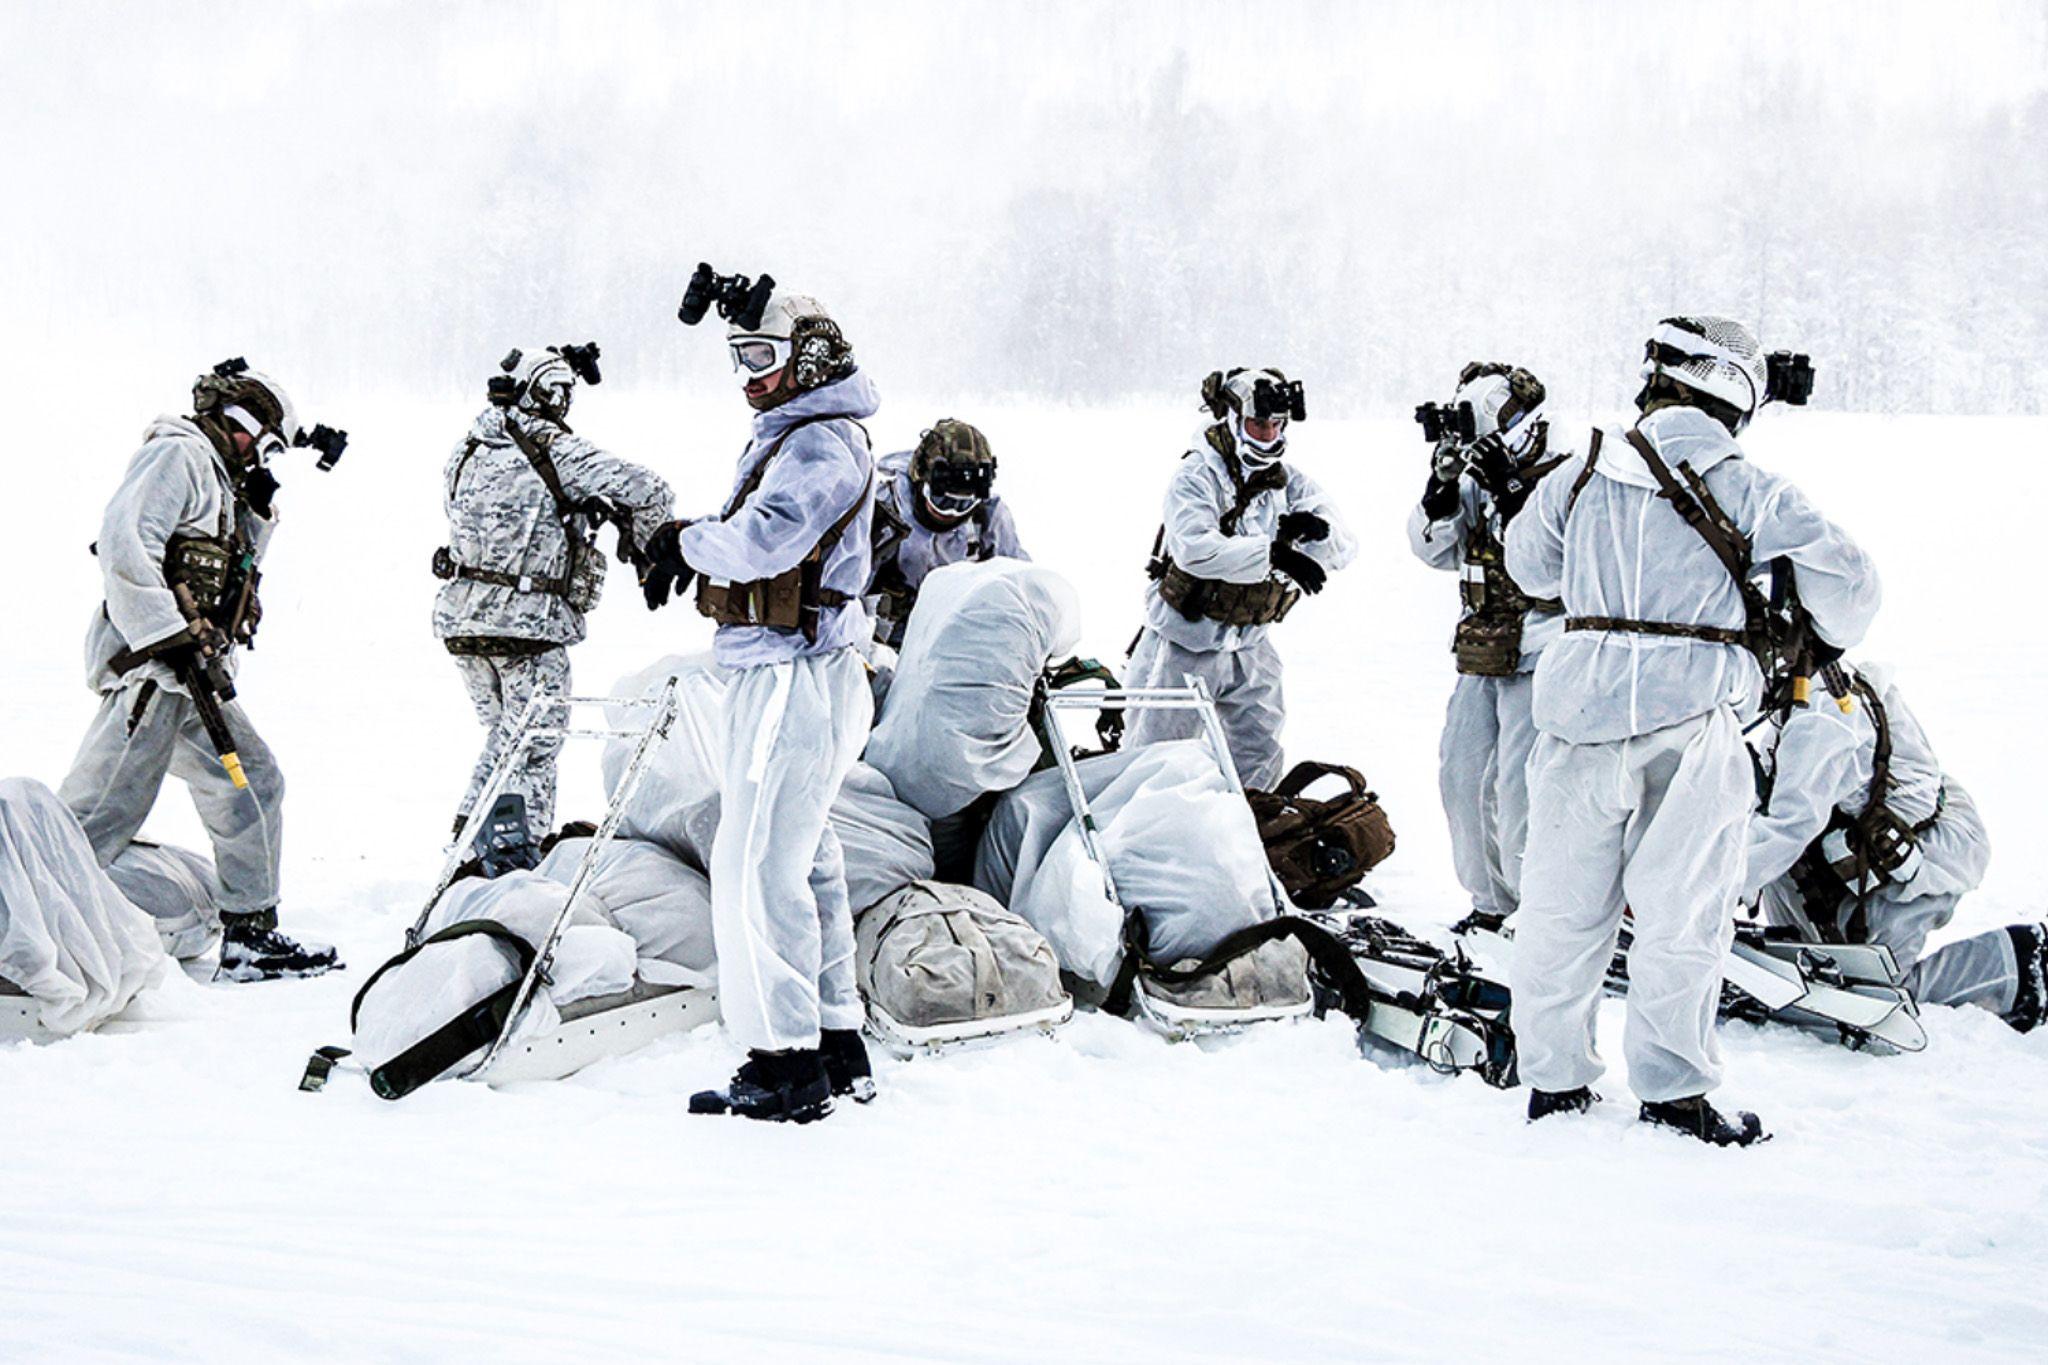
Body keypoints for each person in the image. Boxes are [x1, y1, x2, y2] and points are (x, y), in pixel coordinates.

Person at [1504, 317, 1880, 1146]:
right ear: (1733, 391)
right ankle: (1673, 1092)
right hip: (1691, 723)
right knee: (1684, 914)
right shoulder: (1748, 486)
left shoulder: (1580, 471)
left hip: (1578, 718)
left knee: (1560, 911)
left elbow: (1527, 566)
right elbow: (1853, 585)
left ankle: (1553, 1081)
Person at [640, 283, 880, 1123]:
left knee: (757, 866)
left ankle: (785, 1061)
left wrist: (685, 543)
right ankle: (837, 1038)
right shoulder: (804, 435)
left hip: (789, 677)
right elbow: (761, 532)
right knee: (805, 858)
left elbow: (766, 538)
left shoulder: (818, 444)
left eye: (762, 355)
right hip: (804, 672)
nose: (747, 373)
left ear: (808, 358)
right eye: (739, 356)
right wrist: (692, 545)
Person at [59, 359, 343, 982]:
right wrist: (164, 633)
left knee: (254, 783)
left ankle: (249, 937)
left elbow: (231, 572)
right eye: (261, 442)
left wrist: (258, 512)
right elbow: (125, 539)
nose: (259, 456)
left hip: (192, 677)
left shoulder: (221, 478)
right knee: (99, 815)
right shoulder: (179, 454)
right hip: (153, 672)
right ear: (234, 420)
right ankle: (29, 921)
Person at [432, 343, 673, 840]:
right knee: (534, 743)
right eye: (562, 392)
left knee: (507, 737)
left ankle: (503, 843)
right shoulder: (555, 449)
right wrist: (650, 552)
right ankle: (485, 836)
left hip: (463, 626)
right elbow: (650, 489)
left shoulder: (467, 448)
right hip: (529, 626)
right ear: (548, 393)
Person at [1745, 659, 2045, 1030]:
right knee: (1813, 962)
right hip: (1861, 855)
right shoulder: (1806, 693)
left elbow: (1789, 825)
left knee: (1877, 999)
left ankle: (2024, 961)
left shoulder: (1823, 716)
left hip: (1917, 861)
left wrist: (1713, 894)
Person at [1123, 368, 1356, 790]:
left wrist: (1316, 533)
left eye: (1276, 425)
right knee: (1154, 763)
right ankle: (1138, 830)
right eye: (1257, 424)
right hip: (1185, 643)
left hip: (1251, 644)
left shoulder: (1287, 481)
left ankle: (1251, 826)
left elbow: (1344, 545)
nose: (1267, 435)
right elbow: (1196, 549)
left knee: (1259, 755)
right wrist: (1272, 553)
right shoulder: (1197, 476)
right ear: (1232, 419)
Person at [1408, 363, 1567, 925]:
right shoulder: (1477, 477)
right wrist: (1441, 490)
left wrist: (1514, 491)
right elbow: (1436, 551)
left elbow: (1562, 564)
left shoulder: (1569, 473)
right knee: (1463, 777)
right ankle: (1490, 904)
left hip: (1545, 648)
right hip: (1483, 649)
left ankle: (1538, 911)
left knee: (1523, 791)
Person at [865, 418, 1027, 649]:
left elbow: (1020, 587)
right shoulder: (883, 511)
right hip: (883, 648)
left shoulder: (987, 518)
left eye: (963, 504)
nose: (951, 513)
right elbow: (846, 594)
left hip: (960, 646)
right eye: (942, 501)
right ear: (921, 481)